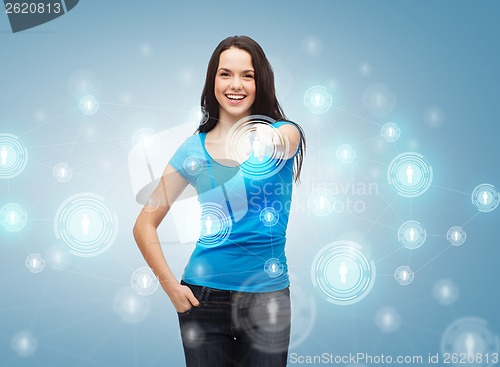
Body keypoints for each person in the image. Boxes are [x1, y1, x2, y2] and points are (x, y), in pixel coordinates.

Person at [133, 35, 305, 367]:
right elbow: (144, 225)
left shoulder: (284, 131)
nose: (235, 84)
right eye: (225, 74)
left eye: (247, 75)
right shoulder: (193, 149)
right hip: (202, 303)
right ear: (213, 80)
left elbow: (286, 140)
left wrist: (261, 137)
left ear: (261, 82)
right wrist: (170, 287)